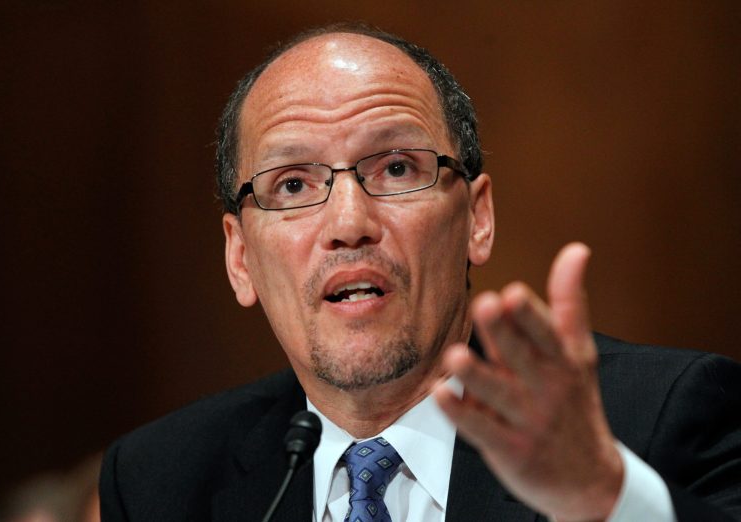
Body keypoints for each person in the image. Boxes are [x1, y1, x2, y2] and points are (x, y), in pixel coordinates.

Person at [99, 23, 741, 521]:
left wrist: (603, 498)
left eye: (397, 169)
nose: (349, 222)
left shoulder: (654, 421)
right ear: (240, 258)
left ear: (476, 220)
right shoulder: (163, 479)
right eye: (292, 183)